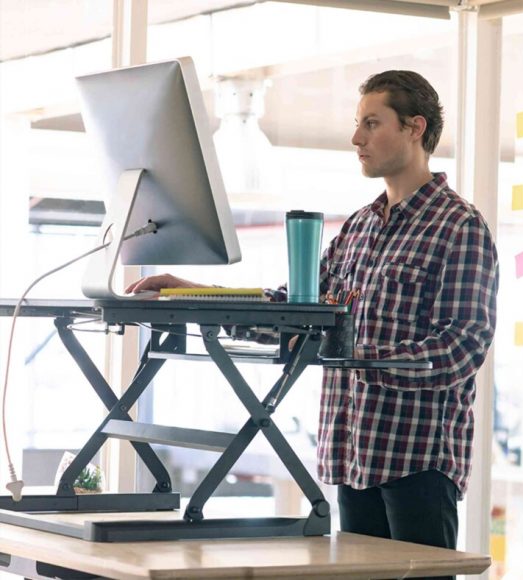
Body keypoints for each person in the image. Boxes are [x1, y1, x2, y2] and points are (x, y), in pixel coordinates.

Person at [127, 70, 499, 563]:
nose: (356, 138)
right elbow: (297, 310)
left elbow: (461, 347)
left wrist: (354, 359)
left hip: (416, 464)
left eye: (371, 123)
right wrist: (191, 294)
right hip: (351, 457)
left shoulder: (460, 227)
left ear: (414, 127)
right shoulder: (359, 228)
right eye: (357, 123)